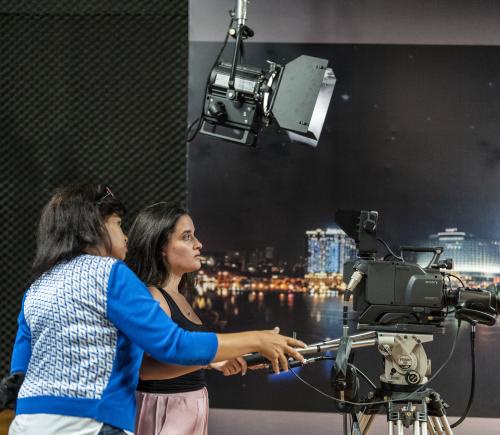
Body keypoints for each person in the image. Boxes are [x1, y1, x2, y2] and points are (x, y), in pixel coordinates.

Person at [8, 184, 305, 435]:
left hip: (28, 420)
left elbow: (20, 367)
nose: (125, 236)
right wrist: (258, 339)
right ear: (96, 227)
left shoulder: (38, 286)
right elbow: (172, 345)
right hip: (90, 421)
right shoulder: (111, 273)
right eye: (118, 225)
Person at [127, 202, 269, 435]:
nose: (199, 244)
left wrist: (217, 361)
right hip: (165, 409)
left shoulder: (178, 296)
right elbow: (146, 369)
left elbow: (181, 356)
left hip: (186, 407)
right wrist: (208, 357)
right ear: (161, 246)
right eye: (187, 237)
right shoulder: (154, 296)